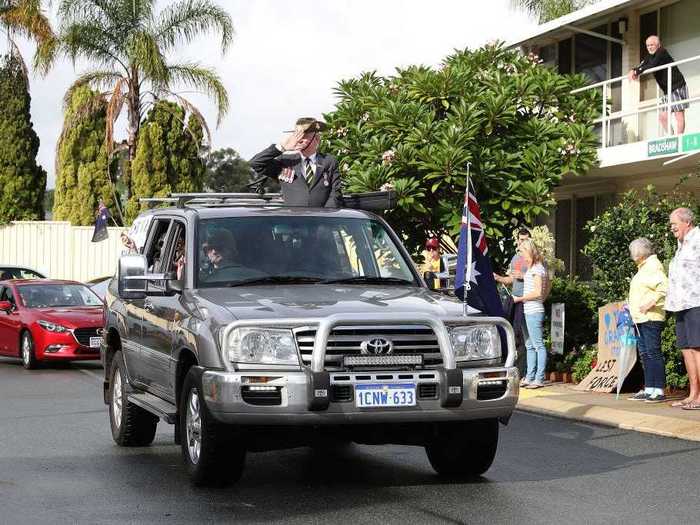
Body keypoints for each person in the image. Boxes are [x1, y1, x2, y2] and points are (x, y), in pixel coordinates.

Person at [249, 117, 342, 207]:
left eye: (304, 136)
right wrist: (282, 147)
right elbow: (256, 163)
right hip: (293, 219)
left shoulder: (329, 162)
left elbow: (335, 194)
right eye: (297, 135)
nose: (299, 140)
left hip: (321, 219)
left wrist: (326, 217)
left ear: (316, 139)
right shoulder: (286, 161)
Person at [665, 208, 700, 410]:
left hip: (696, 302)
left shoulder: (698, 239)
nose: (672, 228)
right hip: (680, 304)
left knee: (697, 348)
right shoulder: (680, 245)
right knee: (687, 349)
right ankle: (693, 394)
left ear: (687, 222)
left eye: (674, 224)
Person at [627, 238, 668, 403]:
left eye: (632, 252)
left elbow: (664, 288)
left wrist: (650, 304)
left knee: (653, 352)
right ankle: (650, 388)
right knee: (645, 353)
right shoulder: (643, 268)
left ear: (639, 253)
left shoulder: (652, 266)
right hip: (640, 318)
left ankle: (658, 389)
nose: (631, 256)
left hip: (650, 316)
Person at [628, 35, 688, 135]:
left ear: (658, 45)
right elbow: (642, 65)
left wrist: (637, 72)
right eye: (647, 46)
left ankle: (679, 138)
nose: (650, 47)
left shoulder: (662, 52)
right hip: (667, 90)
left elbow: (653, 65)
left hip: (677, 85)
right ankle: (671, 137)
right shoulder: (649, 56)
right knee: (663, 117)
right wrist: (634, 70)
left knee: (679, 115)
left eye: (652, 45)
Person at [494, 228, 531, 375]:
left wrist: (524, 275)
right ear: (517, 241)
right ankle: (517, 369)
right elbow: (511, 279)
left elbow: (540, 278)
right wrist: (499, 278)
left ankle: (525, 372)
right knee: (514, 335)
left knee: (526, 338)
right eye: (521, 240)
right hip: (514, 300)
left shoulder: (533, 258)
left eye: (526, 240)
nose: (522, 242)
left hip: (527, 300)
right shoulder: (515, 258)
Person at [513, 239, 547, 388]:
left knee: (538, 345)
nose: (522, 258)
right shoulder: (532, 268)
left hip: (534, 310)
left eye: (523, 253)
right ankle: (530, 376)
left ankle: (539, 378)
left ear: (529, 252)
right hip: (528, 310)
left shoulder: (537, 269)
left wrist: (520, 298)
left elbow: (538, 292)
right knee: (529, 345)